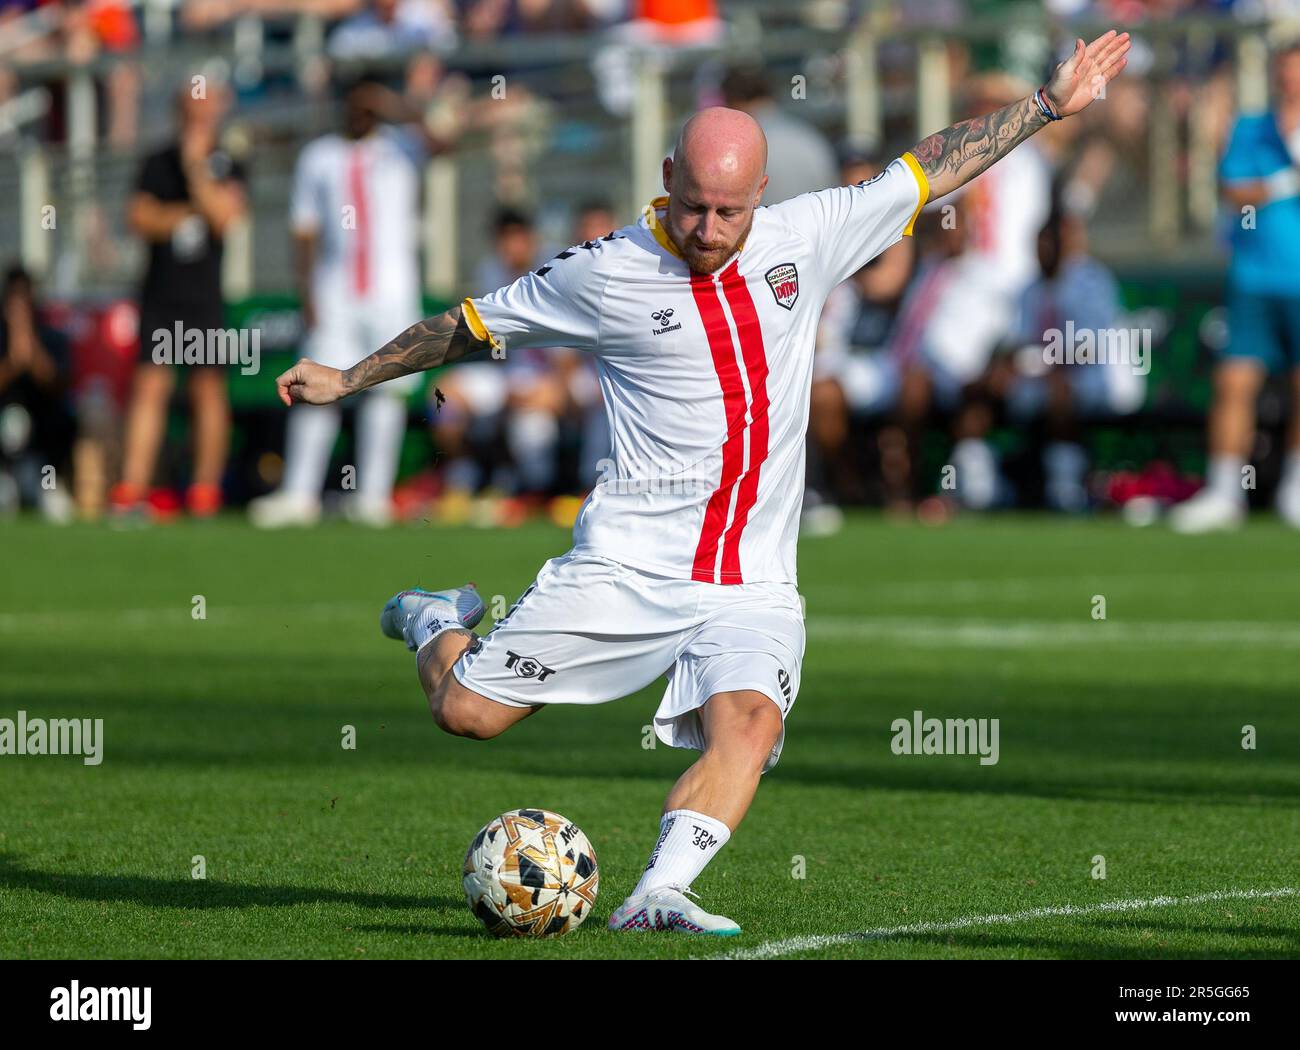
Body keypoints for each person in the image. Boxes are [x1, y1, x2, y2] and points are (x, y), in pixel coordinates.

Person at [273, 32, 1130, 934]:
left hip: (754, 578)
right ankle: (434, 619)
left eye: (729, 212)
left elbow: (925, 169)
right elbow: (469, 327)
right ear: (668, 173)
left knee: (749, 725)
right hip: (628, 567)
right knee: (467, 712)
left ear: (762, 194)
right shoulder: (603, 273)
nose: (710, 231)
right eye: (692, 208)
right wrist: (348, 376)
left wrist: (1043, 105)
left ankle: (659, 893)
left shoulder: (811, 233)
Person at [249, 75, 436, 529]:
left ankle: (372, 496)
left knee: (386, 388)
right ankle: (299, 493)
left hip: (392, 289)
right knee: (316, 386)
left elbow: (441, 139)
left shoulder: (403, 147)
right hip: (335, 291)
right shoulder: (320, 156)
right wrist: (306, 291)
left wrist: (395, 103)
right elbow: (304, 231)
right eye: (357, 103)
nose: (363, 112)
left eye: (370, 104)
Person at [1170, 42, 1300, 533]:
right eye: (1286, 72)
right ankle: (1225, 491)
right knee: (1234, 383)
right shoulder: (1251, 129)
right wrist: (1286, 181)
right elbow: (1232, 191)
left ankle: (1295, 489)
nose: (1291, 81)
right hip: (1253, 278)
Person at [112, 82, 246, 521]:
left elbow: (224, 218)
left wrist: (195, 170)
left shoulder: (228, 161)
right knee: (151, 387)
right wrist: (186, 214)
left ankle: (204, 491)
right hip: (161, 295)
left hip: (204, 298)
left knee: (208, 389)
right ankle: (131, 490)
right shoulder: (155, 160)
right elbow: (139, 218)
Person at [0, 265, 73, 520]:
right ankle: (6, 478)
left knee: (62, 418)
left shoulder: (51, 337)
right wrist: (13, 362)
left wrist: (31, 352)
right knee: (11, 422)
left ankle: (48, 483)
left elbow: (56, 384)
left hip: (41, 433)